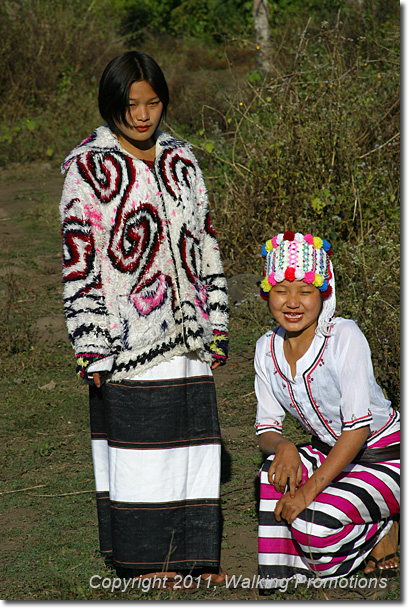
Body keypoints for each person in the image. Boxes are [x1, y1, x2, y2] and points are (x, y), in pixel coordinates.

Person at [59, 51, 229, 588]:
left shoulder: (184, 160)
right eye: (131, 104)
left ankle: (197, 558)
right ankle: (147, 563)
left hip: (189, 334)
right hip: (126, 337)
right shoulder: (86, 167)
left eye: (153, 102)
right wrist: (91, 343)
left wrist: (217, 320)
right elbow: (78, 261)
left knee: (194, 451)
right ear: (112, 104)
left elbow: (205, 242)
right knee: (142, 454)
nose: (142, 114)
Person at [254, 230, 400, 587]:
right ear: (266, 294)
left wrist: (308, 492)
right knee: (270, 473)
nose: (292, 302)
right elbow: (266, 428)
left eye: (305, 291)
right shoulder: (265, 347)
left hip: (386, 457)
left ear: (323, 294)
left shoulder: (344, 337)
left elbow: (358, 430)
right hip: (330, 452)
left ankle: (383, 530)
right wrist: (284, 447)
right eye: (281, 290)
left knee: (316, 524)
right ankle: (284, 575)